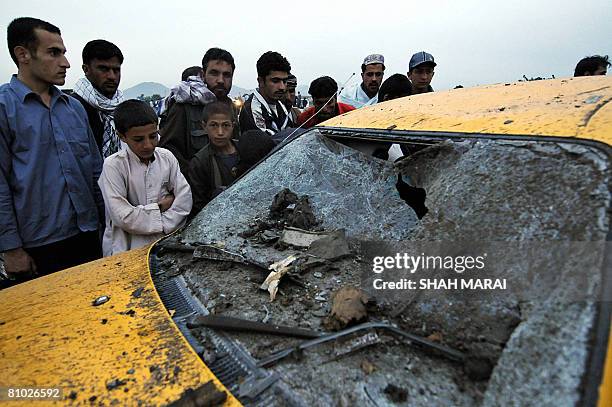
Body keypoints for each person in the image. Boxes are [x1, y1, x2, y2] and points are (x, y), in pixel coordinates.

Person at [1, 17, 104, 283]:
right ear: (23, 54)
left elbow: (95, 171)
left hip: (88, 235)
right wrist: (11, 248)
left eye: (64, 53)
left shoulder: (74, 108)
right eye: (54, 53)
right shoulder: (4, 109)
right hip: (38, 246)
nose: (65, 63)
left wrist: (107, 224)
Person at [98, 100, 192, 256]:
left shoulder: (167, 158)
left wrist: (160, 224)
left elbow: (184, 200)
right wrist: (160, 207)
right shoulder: (113, 166)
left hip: (165, 245)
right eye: (138, 139)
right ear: (122, 136)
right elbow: (123, 216)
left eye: (153, 136)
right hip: (126, 249)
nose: (148, 145)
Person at [159, 47, 237, 178]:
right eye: (214, 73)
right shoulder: (185, 106)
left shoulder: (231, 108)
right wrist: (194, 175)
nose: (221, 80)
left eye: (226, 75)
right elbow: (169, 150)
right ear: (203, 74)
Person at [189, 102, 275, 214]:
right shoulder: (200, 162)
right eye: (214, 125)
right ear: (204, 127)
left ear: (233, 126)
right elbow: (199, 205)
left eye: (225, 125)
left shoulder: (247, 149)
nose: (220, 132)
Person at [72, 40, 124, 158]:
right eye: (103, 69)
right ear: (86, 69)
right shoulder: (71, 108)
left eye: (116, 70)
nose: (112, 76)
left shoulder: (124, 108)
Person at [239, 51, 294, 137]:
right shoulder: (252, 110)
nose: (282, 87)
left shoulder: (279, 104)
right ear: (261, 81)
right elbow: (270, 145)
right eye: (275, 81)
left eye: (284, 81)